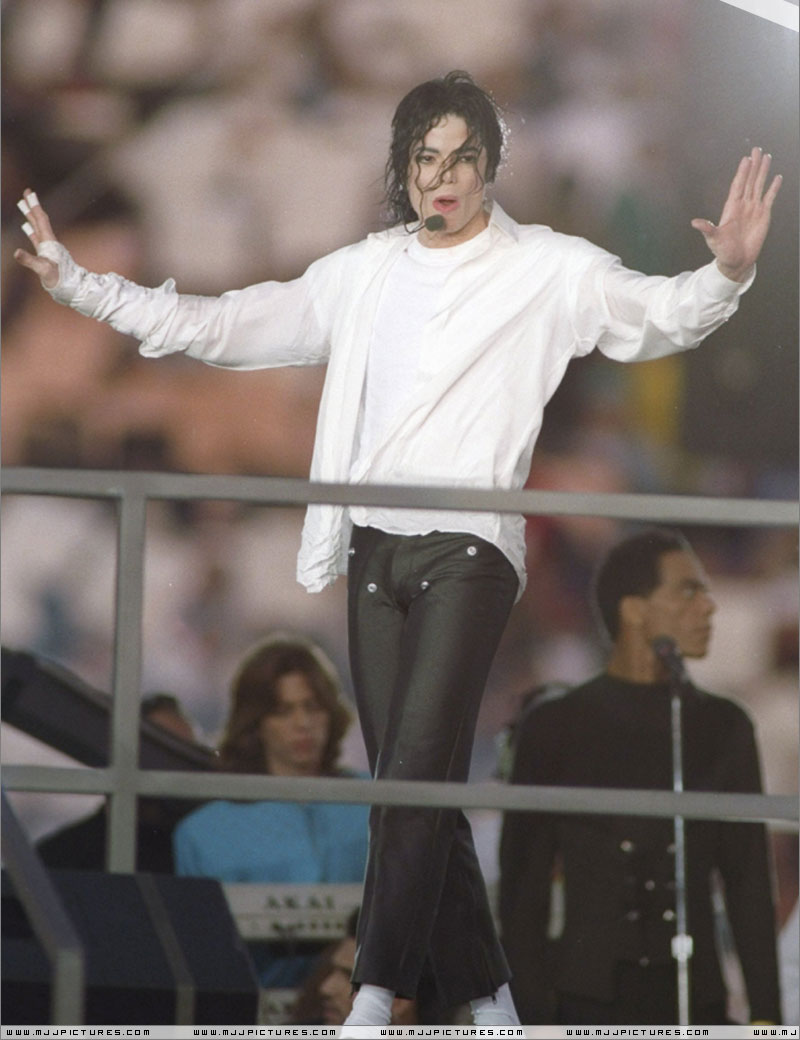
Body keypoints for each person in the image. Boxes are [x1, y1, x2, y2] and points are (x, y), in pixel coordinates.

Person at [14, 70, 781, 1028]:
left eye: (461, 158)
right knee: (412, 787)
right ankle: (492, 1001)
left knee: (411, 778)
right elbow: (218, 326)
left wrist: (726, 276)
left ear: (490, 165)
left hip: (471, 549)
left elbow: (654, 314)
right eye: (425, 158)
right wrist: (83, 288)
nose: (442, 177)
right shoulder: (363, 272)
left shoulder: (549, 266)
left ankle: (374, 993)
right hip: (373, 550)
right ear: (403, 168)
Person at [499, 527, 783, 1025]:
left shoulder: (724, 725)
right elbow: (524, 889)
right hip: (585, 1001)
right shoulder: (556, 724)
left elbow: (749, 881)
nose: (709, 607)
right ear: (634, 610)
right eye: (688, 592)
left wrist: (766, 1019)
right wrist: (535, 1018)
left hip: (696, 1000)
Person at [171, 634, 369, 990]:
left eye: (313, 707)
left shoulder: (374, 802)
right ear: (256, 722)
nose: (303, 723)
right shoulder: (204, 832)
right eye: (283, 711)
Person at [36, 692, 199, 873]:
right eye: (161, 751)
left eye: (186, 755)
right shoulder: (62, 855)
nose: (175, 767)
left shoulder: (194, 850)